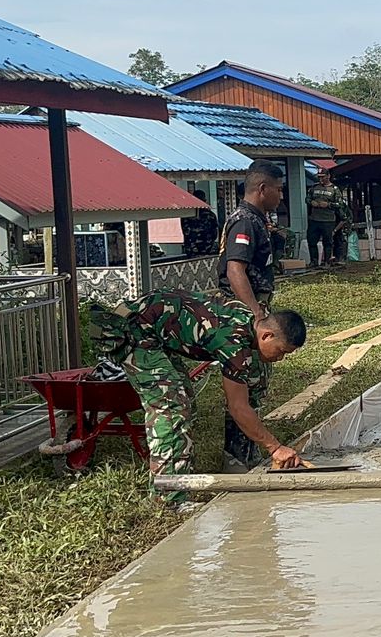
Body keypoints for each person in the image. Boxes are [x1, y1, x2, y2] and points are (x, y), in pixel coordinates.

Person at [90, 288, 307, 504]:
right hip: (130, 331)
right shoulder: (232, 343)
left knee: (184, 399)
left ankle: (176, 468)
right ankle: (168, 499)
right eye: (281, 351)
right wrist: (275, 447)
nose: (280, 359)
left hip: (153, 332)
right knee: (172, 408)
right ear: (266, 335)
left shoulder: (249, 320)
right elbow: (238, 407)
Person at [217, 161, 285, 464]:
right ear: (263, 189)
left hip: (254, 307)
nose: (281, 196)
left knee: (254, 383)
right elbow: (235, 271)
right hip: (243, 313)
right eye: (279, 189)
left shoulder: (256, 219)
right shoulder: (245, 221)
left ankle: (247, 449)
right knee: (245, 382)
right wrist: (256, 315)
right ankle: (237, 457)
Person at [305, 173, 341, 267]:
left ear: (328, 176)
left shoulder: (334, 189)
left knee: (327, 242)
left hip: (328, 220)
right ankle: (314, 261)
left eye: (323, 176)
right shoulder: (314, 187)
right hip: (314, 219)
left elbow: (339, 204)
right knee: (311, 240)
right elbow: (307, 199)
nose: (320, 178)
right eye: (319, 177)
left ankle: (327, 262)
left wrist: (328, 205)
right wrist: (311, 202)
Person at [180, 190, 219, 257]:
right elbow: (214, 234)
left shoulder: (186, 216)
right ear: (204, 200)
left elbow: (185, 231)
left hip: (192, 251)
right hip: (207, 249)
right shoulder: (211, 215)